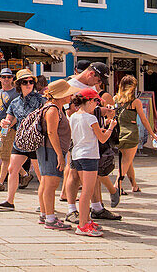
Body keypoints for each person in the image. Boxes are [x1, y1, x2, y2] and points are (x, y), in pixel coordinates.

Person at [0, 69, 44, 211]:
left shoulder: (40, 100)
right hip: (21, 140)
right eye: (25, 82)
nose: (29, 84)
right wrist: (5, 123)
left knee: (40, 174)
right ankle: (10, 201)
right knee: (12, 169)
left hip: (35, 140)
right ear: (20, 84)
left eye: (31, 82)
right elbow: (9, 118)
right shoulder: (15, 102)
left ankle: (44, 202)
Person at [68, 88, 113, 237]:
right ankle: (82, 225)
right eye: (96, 101)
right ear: (89, 101)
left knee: (86, 189)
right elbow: (103, 138)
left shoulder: (74, 116)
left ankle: (86, 220)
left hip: (77, 154)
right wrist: (110, 128)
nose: (96, 105)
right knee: (87, 191)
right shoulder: (91, 118)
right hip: (89, 156)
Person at [36, 80, 74, 230]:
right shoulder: (52, 110)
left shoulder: (52, 107)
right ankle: (50, 219)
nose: (71, 96)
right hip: (50, 150)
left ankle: (45, 214)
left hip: (47, 149)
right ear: (61, 95)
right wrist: (59, 154)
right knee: (51, 184)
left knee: (46, 183)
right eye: (68, 93)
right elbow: (52, 133)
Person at [113, 76, 156, 192]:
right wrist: (152, 133)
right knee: (126, 160)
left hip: (119, 133)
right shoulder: (135, 102)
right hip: (131, 133)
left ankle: (134, 185)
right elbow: (144, 119)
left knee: (128, 160)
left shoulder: (116, 99)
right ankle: (117, 184)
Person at [0, 68, 24, 192]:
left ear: (12, 79)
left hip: (8, 129)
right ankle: (25, 174)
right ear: (0, 78)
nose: (6, 79)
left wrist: (10, 125)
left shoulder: (15, 94)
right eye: (4, 77)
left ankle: (0, 182)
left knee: (5, 156)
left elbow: (18, 113)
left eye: (9, 77)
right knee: (4, 154)